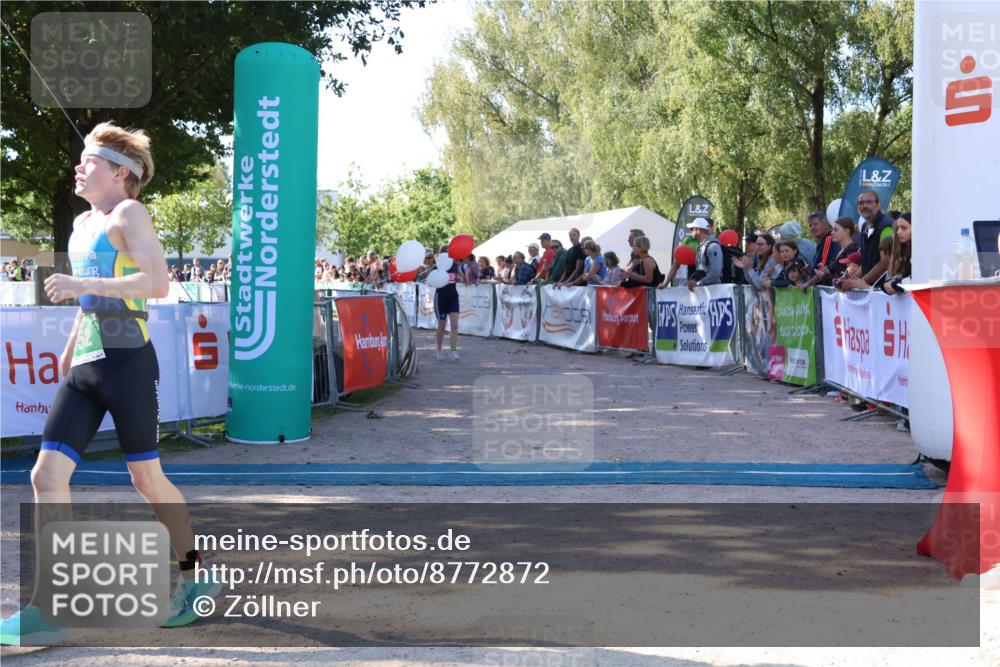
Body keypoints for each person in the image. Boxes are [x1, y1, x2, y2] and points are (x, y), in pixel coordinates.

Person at [0, 122, 220, 647]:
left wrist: (82, 284)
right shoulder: (80, 224)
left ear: (119, 172)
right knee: (45, 477)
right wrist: (72, 346)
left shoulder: (130, 213)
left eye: (90, 161)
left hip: (127, 362)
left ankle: (195, 574)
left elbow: (158, 282)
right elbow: (89, 300)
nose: (79, 167)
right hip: (87, 367)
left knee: (148, 482)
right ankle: (48, 607)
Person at [845, 190, 894, 289]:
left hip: (883, 291)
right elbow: (866, 263)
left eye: (869, 202)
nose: (865, 206)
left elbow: (886, 261)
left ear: (878, 205)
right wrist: (850, 281)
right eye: (861, 203)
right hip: (868, 290)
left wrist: (862, 281)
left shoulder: (886, 226)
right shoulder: (864, 227)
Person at [434, 245, 462, 360]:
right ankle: (439, 349)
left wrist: (463, 278)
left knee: (454, 325)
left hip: (453, 297)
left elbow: (459, 276)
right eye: (447, 252)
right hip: (441, 297)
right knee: (442, 325)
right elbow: (432, 280)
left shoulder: (455, 265)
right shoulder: (438, 266)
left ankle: (453, 349)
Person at [813, 217, 859, 286]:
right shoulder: (842, 250)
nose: (832, 232)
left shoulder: (853, 250)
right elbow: (838, 275)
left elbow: (845, 279)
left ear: (847, 231)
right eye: (832, 230)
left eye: (835, 230)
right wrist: (827, 272)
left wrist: (824, 276)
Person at [685, 217, 723, 290]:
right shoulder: (701, 247)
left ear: (698, 230)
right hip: (703, 292)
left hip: (713, 292)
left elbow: (715, 273)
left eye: (692, 229)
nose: (691, 231)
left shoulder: (713, 246)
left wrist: (698, 283)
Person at [883, 213, 912, 295]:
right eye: (897, 228)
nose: (898, 232)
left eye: (904, 228)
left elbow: (917, 280)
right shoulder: (904, 252)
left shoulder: (920, 253)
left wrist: (894, 284)